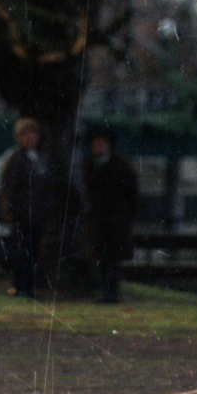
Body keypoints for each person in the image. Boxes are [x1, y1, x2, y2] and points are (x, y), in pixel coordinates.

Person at [82, 123, 138, 303]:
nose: (99, 146)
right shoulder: (89, 165)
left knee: (112, 258)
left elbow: (132, 193)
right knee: (101, 257)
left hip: (115, 220)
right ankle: (105, 290)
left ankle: (112, 291)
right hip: (98, 220)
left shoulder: (120, 165)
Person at [0, 117, 52, 299]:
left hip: (37, 214)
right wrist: (10, 210)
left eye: (33, 133)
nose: (30, 137)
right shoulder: (15, 158)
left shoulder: (41, 158)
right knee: (22, 252)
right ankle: (20, 287)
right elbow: (8, 186)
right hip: (21, 214)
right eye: (25, 134)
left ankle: (29, 287)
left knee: (34, 252)